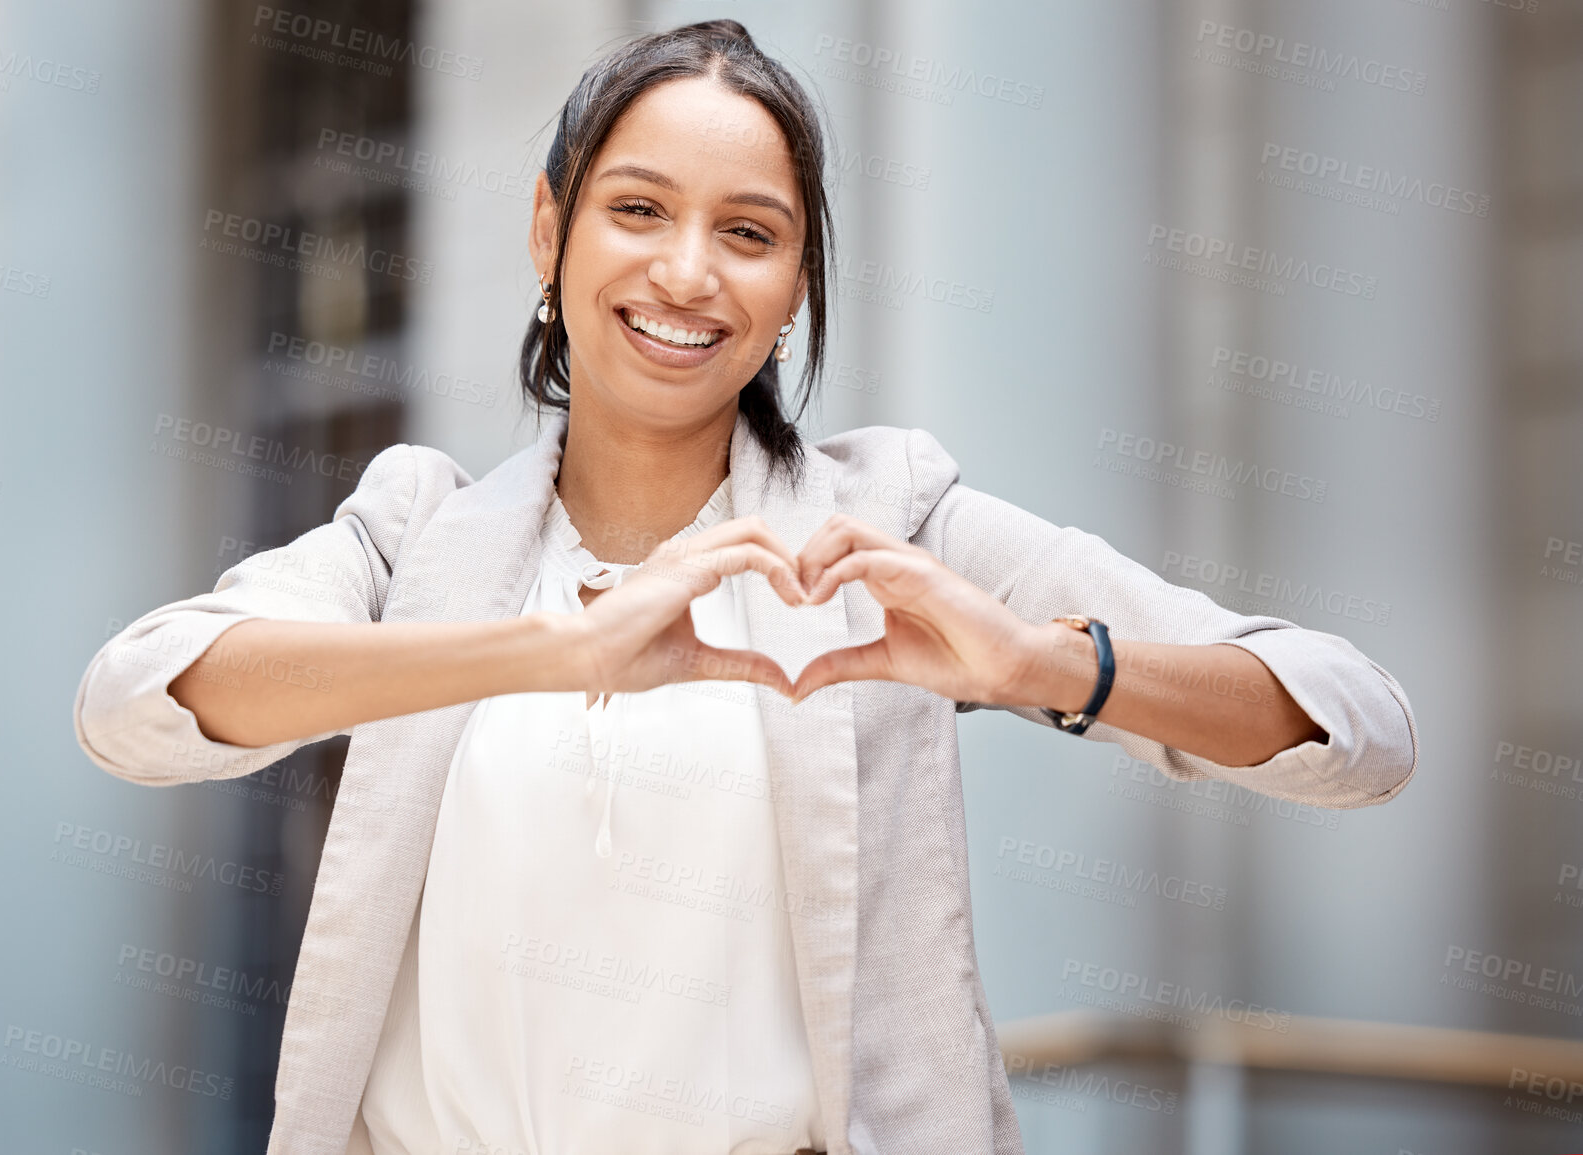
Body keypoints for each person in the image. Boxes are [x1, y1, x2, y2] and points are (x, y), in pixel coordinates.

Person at [74, 19, 1417, 1155]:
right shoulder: (417, 528)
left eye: (751, 232)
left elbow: (1358, 733)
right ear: (552, 229)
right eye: (638, 210)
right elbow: (135, 704)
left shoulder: (888, 521)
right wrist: (549, 651)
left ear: (794, 289)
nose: (687, 274)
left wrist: (1040, 669)